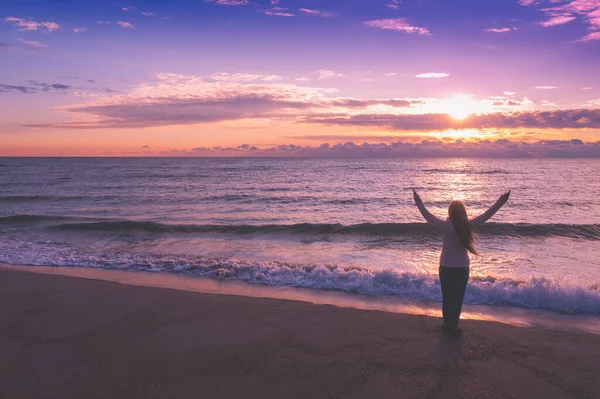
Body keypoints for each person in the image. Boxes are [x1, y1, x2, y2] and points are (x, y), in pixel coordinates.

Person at [413, 189, 511, 338]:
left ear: (450, 211)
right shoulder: (468, 226)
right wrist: (502, 201)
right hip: (462, 268)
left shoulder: (445, 226)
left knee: (447, 297)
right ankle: (454, 326)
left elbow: (427, 216)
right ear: (463, 212)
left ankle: (446, 324)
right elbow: (487, 215)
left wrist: (418, 200)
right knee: (457, 298)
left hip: (446, 267)